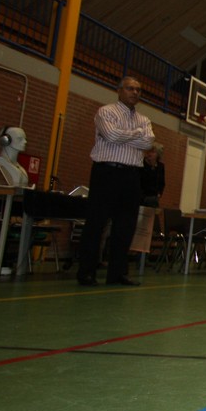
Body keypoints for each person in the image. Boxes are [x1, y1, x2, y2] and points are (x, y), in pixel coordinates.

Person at [77, 77, 154, 287]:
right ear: (119, 90)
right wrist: (136, 135)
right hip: (106, 172)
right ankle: (86, 272)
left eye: (138, 90)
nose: (135, 92)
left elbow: (148, 142)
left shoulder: (144, 119)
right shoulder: (106, 112)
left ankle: (117, 273)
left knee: (126, 225)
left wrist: (126, 136)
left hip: (132, 176)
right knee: (96, 223)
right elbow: (110, 135)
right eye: (130, 88)